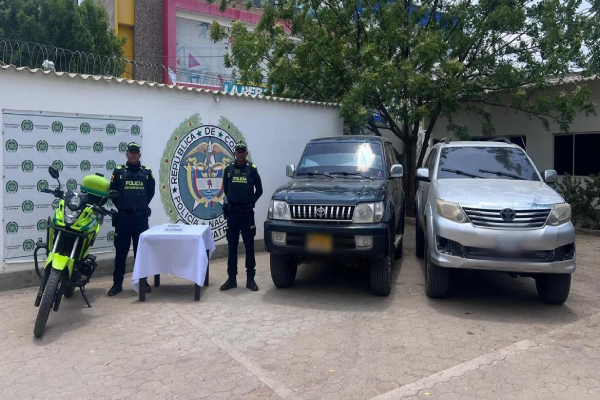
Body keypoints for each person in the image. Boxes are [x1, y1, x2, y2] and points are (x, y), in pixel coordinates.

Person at [108, 142, 155, 296]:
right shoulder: (118, 172)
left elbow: (150, 192)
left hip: (140, 219)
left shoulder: (147, 173)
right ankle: (117, 284)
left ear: (139, 155)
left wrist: (140, 206)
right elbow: (113, 193)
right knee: (121, 253)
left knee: (141, 253)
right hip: (123, 219)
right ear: (127, 154)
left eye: (136, 152)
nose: (133, 154)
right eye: (131, 152)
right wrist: (123, 207)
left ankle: (143, 282)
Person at [221, 141, 263, 292]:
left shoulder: (252, 169)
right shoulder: (228, 170)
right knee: (232, 247)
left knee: (249, 246)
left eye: (242, 151)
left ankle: (250, 279)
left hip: (247, 214)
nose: (240, 153)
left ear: (246, 153)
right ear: (235, 153)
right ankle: (231, 279)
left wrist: (251, 202)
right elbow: (226, 190)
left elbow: (259, 190)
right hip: (232, 214)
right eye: (238, 151)